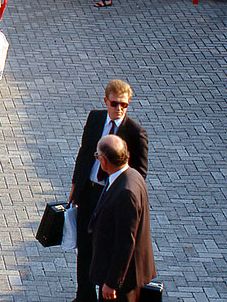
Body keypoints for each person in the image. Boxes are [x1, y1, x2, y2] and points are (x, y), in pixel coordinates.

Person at [69, 80, 149, 302]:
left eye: (124, 105)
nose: (119, 108)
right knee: (84, 247)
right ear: (106, 101)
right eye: (115, 103)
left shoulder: (135, 132)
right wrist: (76, 186)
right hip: (90, 192)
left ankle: (107, 290)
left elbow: (139, 172)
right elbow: (85, 152)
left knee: (105, 246)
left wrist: (119, 190)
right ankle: (84, 295)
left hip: (113, 198)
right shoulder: (95, 119)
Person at [89, 134, 156, 302]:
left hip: (122, 283)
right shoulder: (132, 175)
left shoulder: (126, 192)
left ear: (104, 161)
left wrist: (112, 282)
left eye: (97, 156)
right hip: (122, 277)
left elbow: (126, 242)